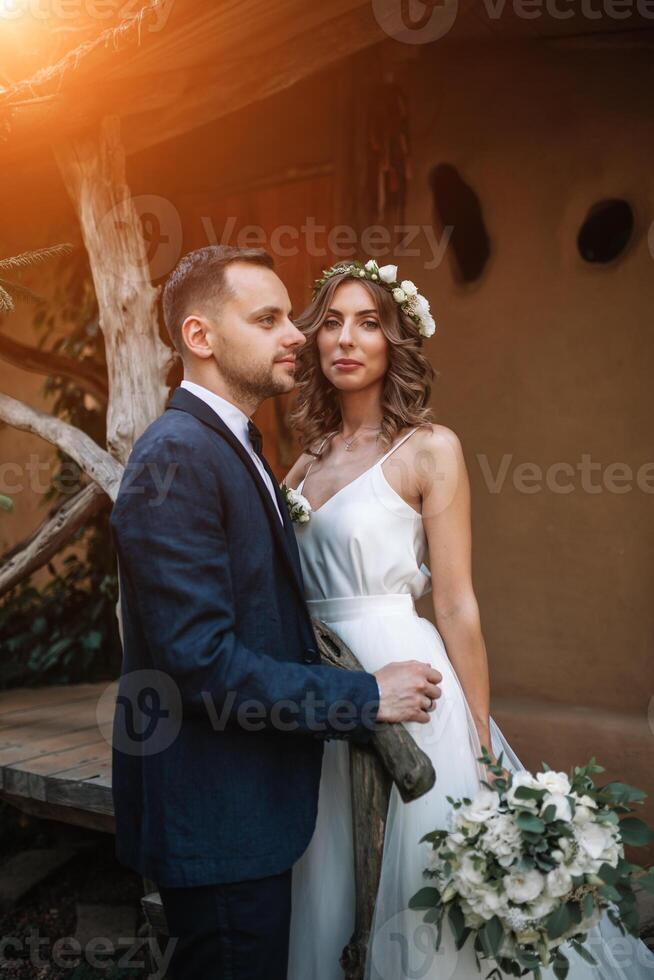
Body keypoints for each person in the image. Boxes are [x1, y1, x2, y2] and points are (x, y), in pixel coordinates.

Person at [283, 259, 654, 980]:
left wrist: (480, 735)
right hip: (327, 692)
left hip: (413, 689)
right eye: (331, 322)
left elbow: (455, 600)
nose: (346, 339)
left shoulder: (429, 448)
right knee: (329, 878)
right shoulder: (303, 462)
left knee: (433, 897)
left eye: (367, 323)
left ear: (396, 341)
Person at [109, 245, 442, 980]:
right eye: (267, 319)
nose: (298, 333)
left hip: (254, 808)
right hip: (218, 815)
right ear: (200, 337)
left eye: (290, 316)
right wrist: (365, 695)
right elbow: (199, 664)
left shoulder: (237, 443)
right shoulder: (176, 459)